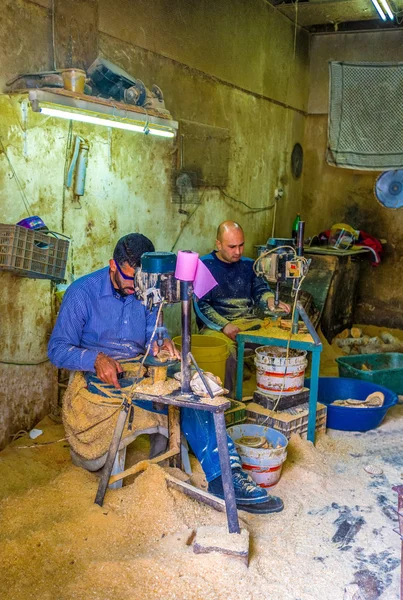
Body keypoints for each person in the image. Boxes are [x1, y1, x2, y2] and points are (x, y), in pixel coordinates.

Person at [49, 233, 283, 514]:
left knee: (193, 394)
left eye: (142, 282)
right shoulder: (82, 293)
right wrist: (95, 358)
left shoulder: (147, 288)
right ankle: (223, 474)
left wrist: (162, 341)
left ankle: (226, 476)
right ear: (113, 265)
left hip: (142, 367)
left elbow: (153, 331)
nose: (137, 289)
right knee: (170, 396)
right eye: (129, 280)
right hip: (98, 376)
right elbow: (57, 349)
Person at [195, 221, 290, 390]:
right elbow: (201, 305)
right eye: (232, 247)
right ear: (218, 244)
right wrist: (224, 325)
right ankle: (229, 403)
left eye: (241, 245)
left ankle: (274, 397)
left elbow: (261, 289)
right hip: (216, 326)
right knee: (227, 353)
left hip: (248, 322)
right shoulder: (205, 266)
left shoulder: (249, 265)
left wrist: (269, 299)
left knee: (282, 344)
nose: (238, 251)